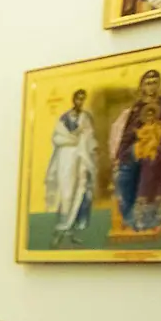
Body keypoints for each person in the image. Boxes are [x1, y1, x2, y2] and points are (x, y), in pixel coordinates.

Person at [111, 68, 161, 234]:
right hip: (137, 148)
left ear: (159, 85)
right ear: (142, 86)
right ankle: (128, 215)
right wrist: (121, 155)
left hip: (160, 149)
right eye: (148, 83)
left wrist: (159, 139)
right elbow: (128, 133)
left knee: (151, 163)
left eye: (155, 83)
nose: (151, 86)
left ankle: (149, 218)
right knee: (123, 173)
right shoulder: (136, 109)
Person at [46, 88, 98, 247]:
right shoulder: (64, 118)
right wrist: (72, 138)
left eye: (83, 99)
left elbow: (89, 136)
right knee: (66, 192)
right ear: (73, 99)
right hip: (66, 158)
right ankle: (61, 228)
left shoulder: (85, 118)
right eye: (78, 98)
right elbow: (57, 137)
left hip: (80, 157)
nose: (80, 102)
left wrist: (86, 144)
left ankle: (69, 230)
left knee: (79, 190)